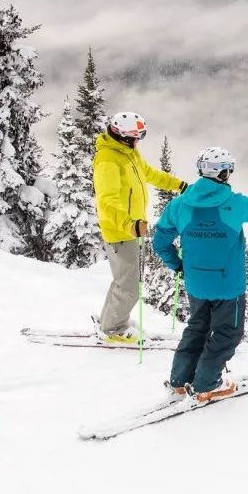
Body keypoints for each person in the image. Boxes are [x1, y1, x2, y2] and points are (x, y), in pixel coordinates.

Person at [152, 146, 248, 402]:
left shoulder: (179, 205)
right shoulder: (234, 203)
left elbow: (160, 242)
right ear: (223, 173)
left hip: (195, 283)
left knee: (197, 327)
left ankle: (180, 380)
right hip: (227, 285)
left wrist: (177, 265)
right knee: (227, 333)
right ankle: (206, 385)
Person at [93, 111, 189, 345]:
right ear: (123, 137)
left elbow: (150, 174)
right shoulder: (109, 160)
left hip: (128, 229)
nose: (139, 141)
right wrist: (129, 224)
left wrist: (180, 185)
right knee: (129, 286)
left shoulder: (128, 154)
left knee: (122, 281)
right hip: (119, 231)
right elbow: (107, 201)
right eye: (136, 137)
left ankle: (110, 321)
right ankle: (113, 329)